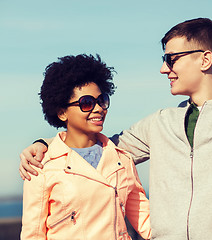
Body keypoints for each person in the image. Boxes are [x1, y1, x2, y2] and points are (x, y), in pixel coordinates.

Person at [19, 18, 212, 239]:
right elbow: (98, 146)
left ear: (205, 59)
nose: (164, 68)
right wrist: (44, 145)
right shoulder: (159, 123)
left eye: (171, 59)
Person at [20, 54, 151, 239]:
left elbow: (146, 222)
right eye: (87, 103)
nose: (98, 109)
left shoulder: (122, 160)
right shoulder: (42, 166)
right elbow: (33, 235)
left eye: (102, 100)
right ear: (62, 112)